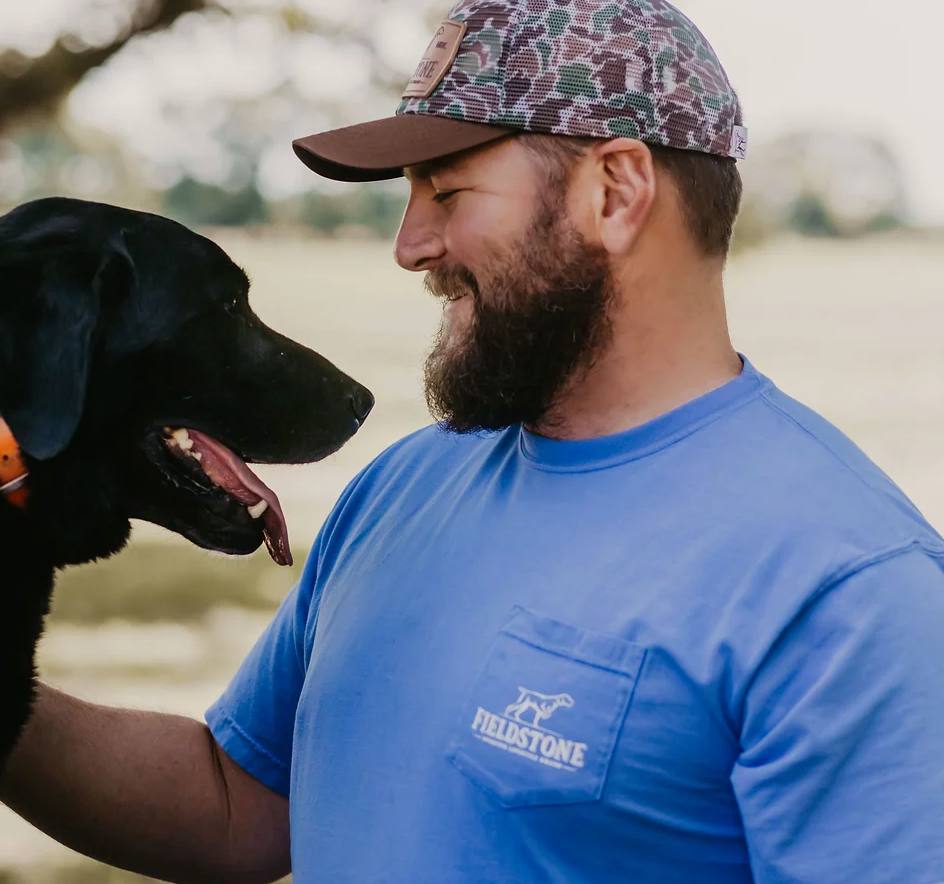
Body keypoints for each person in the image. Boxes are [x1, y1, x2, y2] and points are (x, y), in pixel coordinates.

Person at [3, 0, 944, 881]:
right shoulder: (410, 484)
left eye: (447, 192)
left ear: (615, 192)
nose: (409, 245)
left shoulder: (851, 589)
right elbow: (239, 802)